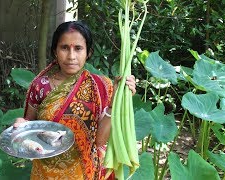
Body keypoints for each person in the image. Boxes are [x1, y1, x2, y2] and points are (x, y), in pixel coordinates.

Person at [13, 21, 136, 180]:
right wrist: (21, 125)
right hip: (45, 173)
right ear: (55, 51)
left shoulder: (101, 87)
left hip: (86, 172)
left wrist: (118, 101)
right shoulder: (40, 86)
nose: (71, 56)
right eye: (64, 48)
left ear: (88, 52)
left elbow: (100, 140)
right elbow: (30, 124)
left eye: (78, 48)